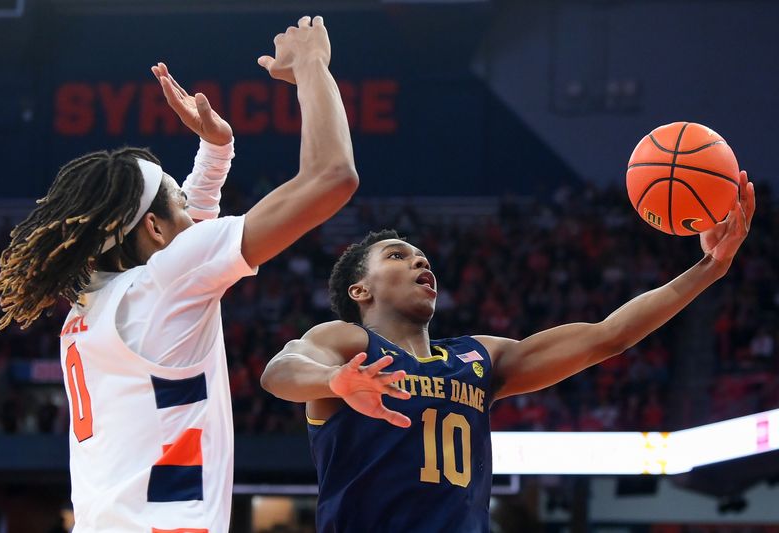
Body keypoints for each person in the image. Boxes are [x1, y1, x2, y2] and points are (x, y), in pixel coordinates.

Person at [0, 16, 357, 533]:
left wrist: (217, 151)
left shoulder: (94, 305)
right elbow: (331, 178)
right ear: (155, 230)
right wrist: (313, 66)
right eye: (180, 204)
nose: (193, 212)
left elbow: (181, 240)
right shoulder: (164, 284)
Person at [261, 172, 756, 532]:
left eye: (422, 257)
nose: (418, 260)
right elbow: (280, 370)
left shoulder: (479, 359)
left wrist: (710, 267)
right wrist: (336, 382)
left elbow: (609, 336)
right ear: (360, 291)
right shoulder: (350, 343)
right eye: (397, 255)